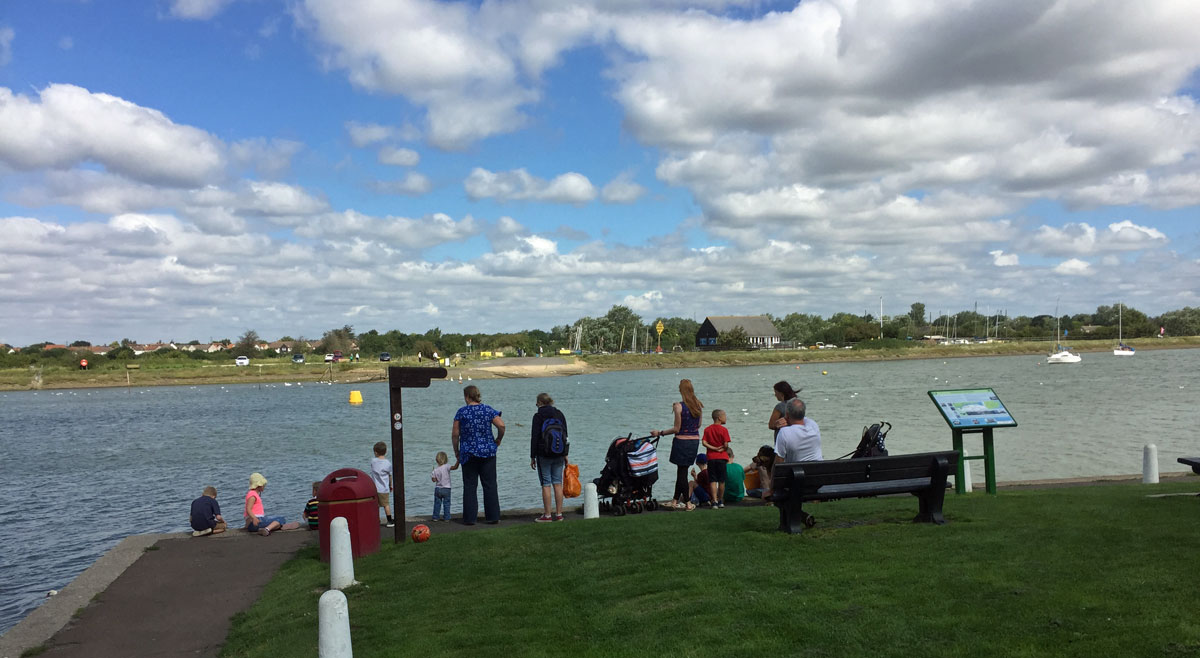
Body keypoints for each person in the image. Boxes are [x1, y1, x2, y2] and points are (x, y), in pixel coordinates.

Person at [452, 385, 505, 525]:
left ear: (467, 396)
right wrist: (498, 439)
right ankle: (493, 516)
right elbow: (501, 425)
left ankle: (470, 518)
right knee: (490, 485)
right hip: (488, 452)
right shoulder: (487, 409)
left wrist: (456, 451)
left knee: (469, 486)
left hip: (468, 453)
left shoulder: (461, 412)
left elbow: (455, 434)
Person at [650, 379, 703, 510]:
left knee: (681, 473)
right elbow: (699, 425)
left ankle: (688, 503)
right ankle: (674, 500)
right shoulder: (698, 405)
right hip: (694, 441)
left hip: (682, 442)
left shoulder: (678, 406)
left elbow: (676, 428)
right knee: (682, 471)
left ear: (681, 390)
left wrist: (660, 433)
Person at [530, 392, 569, 523]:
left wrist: (532, 456)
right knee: (558, 483)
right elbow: (565, 435)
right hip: (559, 452)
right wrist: (566, 454)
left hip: (543, 453)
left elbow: (534, 437)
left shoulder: (538, 416)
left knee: (546, 483)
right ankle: (559, 514)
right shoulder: (559, 414)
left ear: (540, 403)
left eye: (537, 403)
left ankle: (547, 515)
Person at [773, 398, 823, 465]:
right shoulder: (813, 425)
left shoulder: (784, 432)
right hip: (818, 470)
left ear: (787, 414)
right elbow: (801, 419)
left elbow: (778, 463)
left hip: (797, 473)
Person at [701, 409, 732, 508]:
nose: (725, 417)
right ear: (719, 418)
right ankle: (720, 500)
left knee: (713, 480)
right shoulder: (724, 430)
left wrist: (713, 448)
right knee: (722, 480)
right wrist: (722, 449)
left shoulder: (707, 429)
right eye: (724, 415)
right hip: (722, 457)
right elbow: (726, 444)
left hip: (711, 457)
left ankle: (714, 501)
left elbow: (704, 442)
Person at [370, 441, 395, 528]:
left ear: (375, 452)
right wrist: (391, 485)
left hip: (374, 488)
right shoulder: (387, 463)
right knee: (386, 505)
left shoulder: (373, 461)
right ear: (386, 452)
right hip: (384, 488)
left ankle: (376, 520)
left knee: (376, 505)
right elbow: (390, 476)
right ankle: (389, 520)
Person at [431, 451, 458, 521]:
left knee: (437, 504)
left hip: (438, 488)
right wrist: (458, 461)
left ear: (437, 460)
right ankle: (446, 518)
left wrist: (436, 478)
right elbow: (455, 467)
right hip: (446, 488)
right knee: (447, 503)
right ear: (446, 459)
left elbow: (433, 480)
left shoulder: (435, 470)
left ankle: (435, 517)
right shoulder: (447, 466)